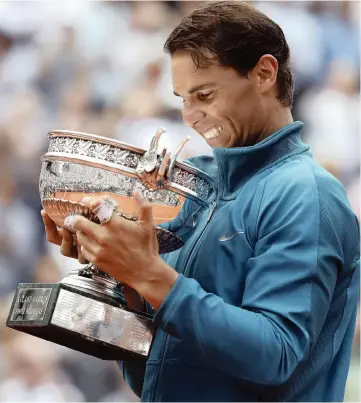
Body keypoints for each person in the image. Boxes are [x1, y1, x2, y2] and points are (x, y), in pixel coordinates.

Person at [41, 1, 360, 401]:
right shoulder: (196, 184)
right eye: (182, 98)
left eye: (204, 95)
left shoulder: (306, 194)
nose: (190, 115)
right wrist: (118, 275)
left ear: (264, 73)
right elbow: (158, 372)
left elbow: (275, 354)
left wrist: (150, 276)